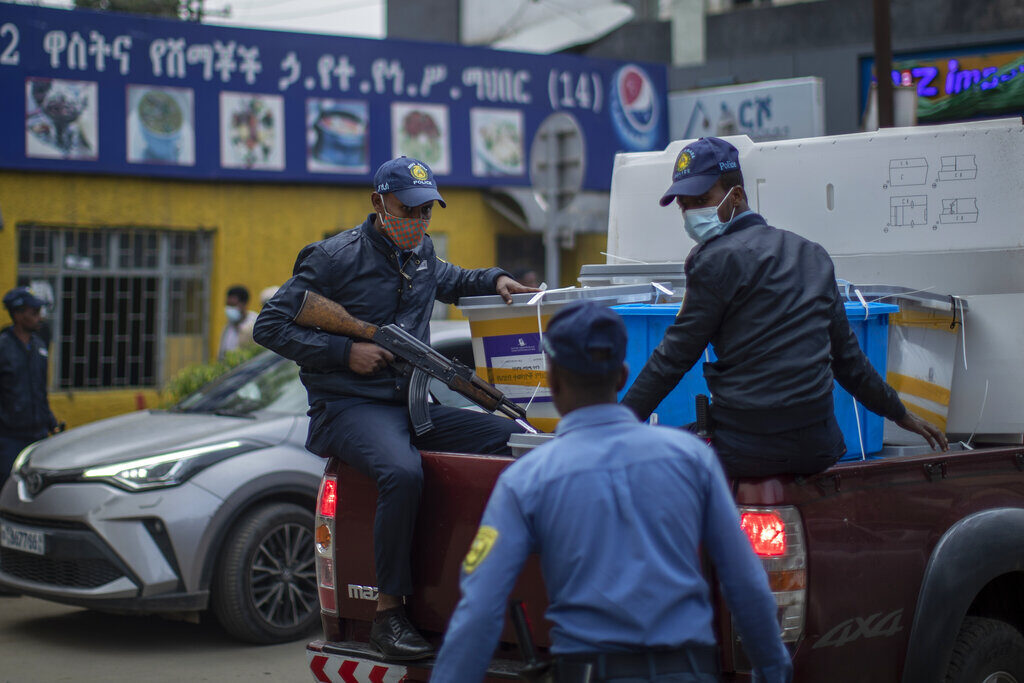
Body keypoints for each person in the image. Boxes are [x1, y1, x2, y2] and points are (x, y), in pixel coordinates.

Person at [253, 156, 538, 660]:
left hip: (410, 407)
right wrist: (346, 351)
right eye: (408, 210)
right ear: (379, 203)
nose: (419, 222)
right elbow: (270, 326)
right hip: (348, 407)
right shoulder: (333, 257)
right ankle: (389, 615)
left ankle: (490, 587)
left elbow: (453, 279)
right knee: (401, 473)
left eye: (427, 212)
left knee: (508, 439)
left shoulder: (423, 252)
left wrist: (496, 280)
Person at [432, 301, 792, 682]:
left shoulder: (528, 480)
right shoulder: (692, 459)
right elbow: (746, 583)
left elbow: (480, 611)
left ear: (552, 383)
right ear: (622, 377)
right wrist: (772, 671)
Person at [621, 137, 947, 478]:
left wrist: (616, 424)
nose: (691, 214)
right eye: (684, 206)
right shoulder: (812, 254)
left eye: (702, 200)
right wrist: (898, 413)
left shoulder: (713, 260)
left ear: (736, 197)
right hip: (820, 448)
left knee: (653, 461)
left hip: (745, 449)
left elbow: (673, 358)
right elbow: (848, 360)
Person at [0, 287, 59, 490]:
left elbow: (39, 390)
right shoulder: (3, 347)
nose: (38, 318)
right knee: (8, 488)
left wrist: (50, 422)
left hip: (38, 435)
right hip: (9, 438)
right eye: (33, 313)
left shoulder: (38, 346)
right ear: (18, 315)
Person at [218, 285, 258, 360]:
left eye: (233, 305)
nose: (229, 309)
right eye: (228, 305)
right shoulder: (228, 326)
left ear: (244, 304)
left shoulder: (255, 325)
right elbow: (221, 354)